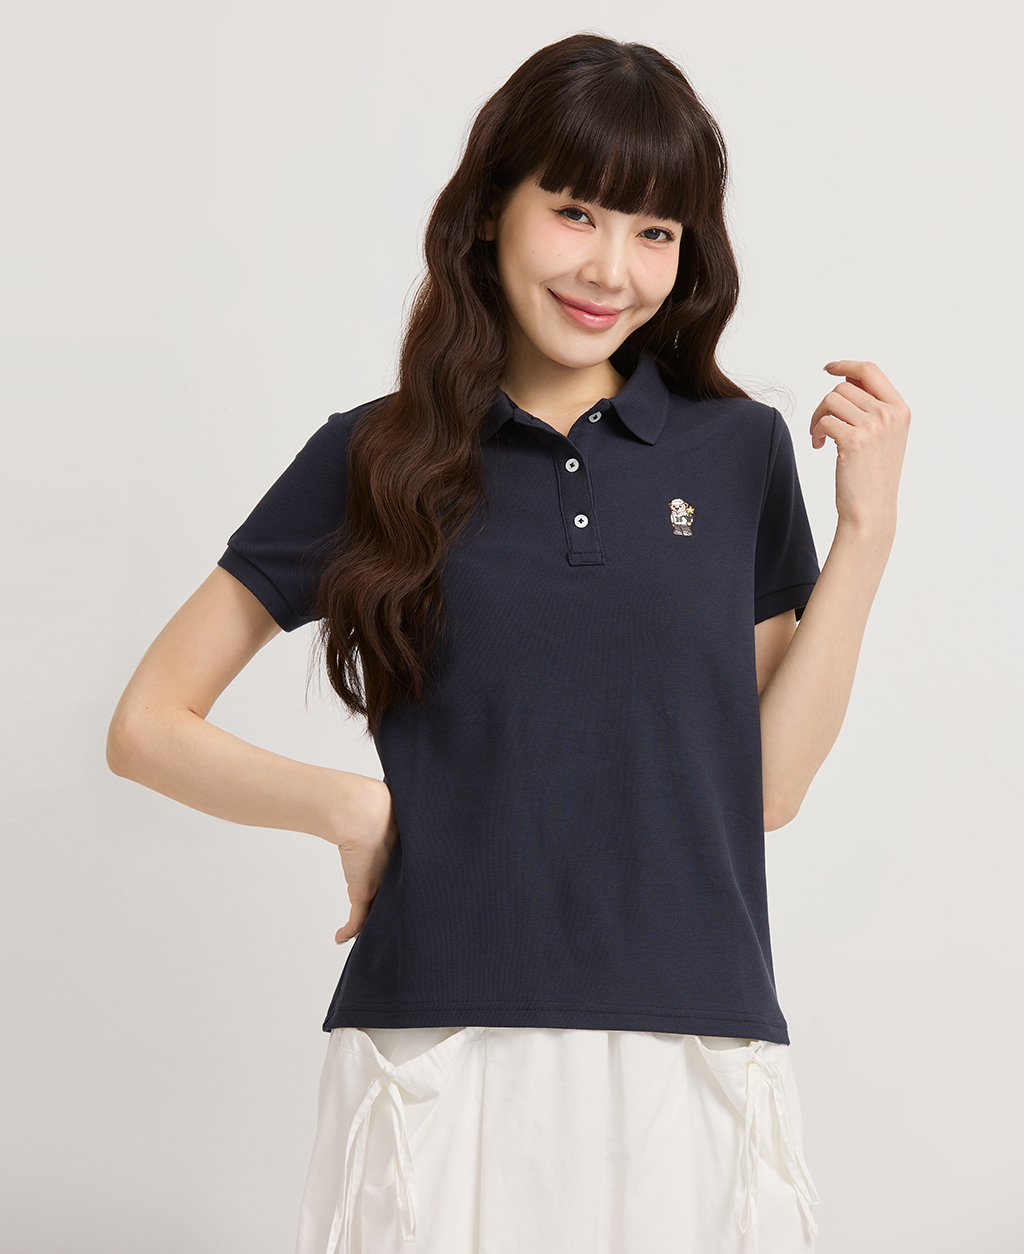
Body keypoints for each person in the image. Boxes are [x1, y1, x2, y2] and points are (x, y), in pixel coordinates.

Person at [106, 32, 911, 1254]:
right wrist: (349, 808)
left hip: (691, 1041)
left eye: (654, 230)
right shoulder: (374, 455)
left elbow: (768, 789)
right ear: (490, 211)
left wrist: (865, 531)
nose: (609, 269)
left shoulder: (737, 452)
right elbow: (147, 725)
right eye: (574, 211)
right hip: (438, 1048)